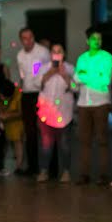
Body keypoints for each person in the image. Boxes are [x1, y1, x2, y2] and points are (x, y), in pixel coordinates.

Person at [74, 27, 112, 186]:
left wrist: (85, 76)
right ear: (87, 41)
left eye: (99, 38)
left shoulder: (108, 57)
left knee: (102, 140)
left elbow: (105, 80)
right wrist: (92, 76)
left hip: (101, 103)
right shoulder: (81, 58)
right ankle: (84, 174)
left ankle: (103, 175)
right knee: (84, 141)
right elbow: (76, 79)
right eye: (94, 38)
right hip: (83, 103)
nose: (97, 41)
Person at [36, 44, 75, 183]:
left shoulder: (70, 68)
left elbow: (76, 88)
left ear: (63, 54)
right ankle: (44, 171)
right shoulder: (42, 67)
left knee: (65, 144)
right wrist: (50, 72)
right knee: (45, 145)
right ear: (51, 54)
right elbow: (35, 83)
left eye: (59, 51)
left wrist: (65, 75)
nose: (56, 54)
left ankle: (66, 172)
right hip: (46, 114)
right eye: (54, 51)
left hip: (64, 114)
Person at [17, 28, 50, 175]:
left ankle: (50, 168)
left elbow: (49, 73)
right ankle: (32, 167)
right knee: (29, 132)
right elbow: (23, 76)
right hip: (27, 95)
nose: (28, 40)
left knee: (46, 131)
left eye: (30, 37)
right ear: (21, 40)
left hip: (42, 94)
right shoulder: (20, 55)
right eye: (24, 38)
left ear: (33, 37)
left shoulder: (42, 52)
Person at [0, 79, 24, 174]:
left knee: (18, 143)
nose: (2, 98)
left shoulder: (19, 95)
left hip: (16, 123)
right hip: (4, 124)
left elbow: (21, 112)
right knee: (3, 144)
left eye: (4, 97)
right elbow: (1, 103)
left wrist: (8, 115)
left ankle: (19, 166)